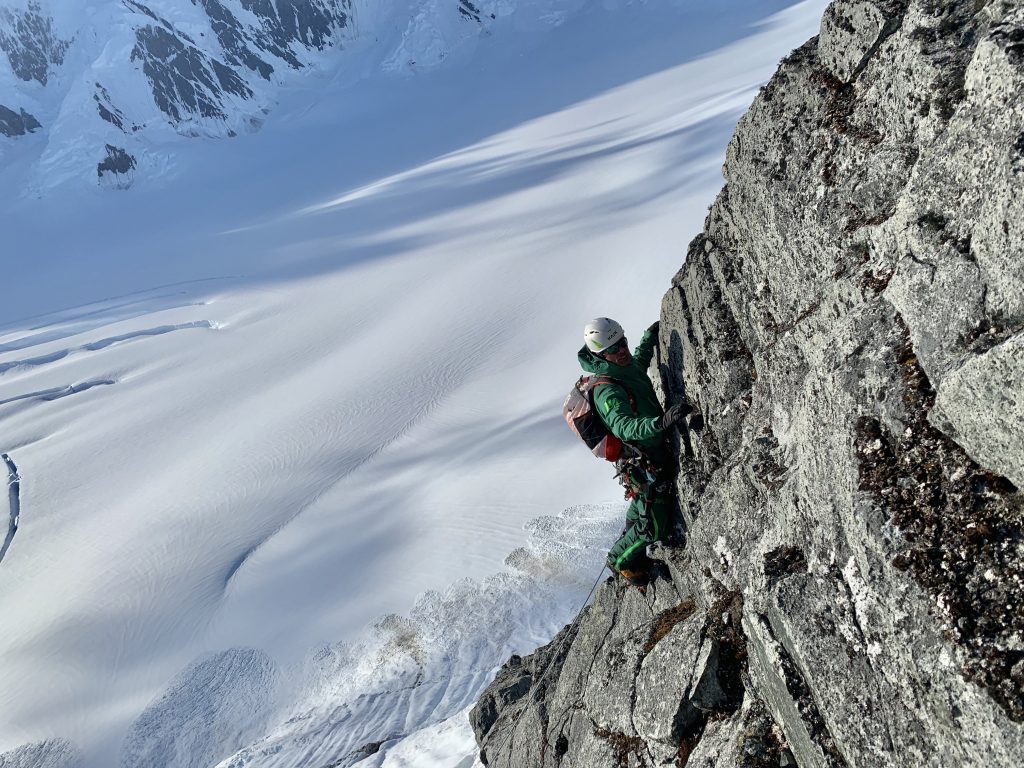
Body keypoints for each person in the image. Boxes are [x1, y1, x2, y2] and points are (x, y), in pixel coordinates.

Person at [578, 317, 687, 587]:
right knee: (654, 526)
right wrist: (659, 423)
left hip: (647, 453)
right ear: (600, 355)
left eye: (622, 343)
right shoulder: (607, 391)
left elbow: (638, 362)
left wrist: (649, 338)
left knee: (643, 506)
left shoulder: (623, 369)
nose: (622, 351)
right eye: (613, 350)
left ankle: (629, 533)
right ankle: (619, 559)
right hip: (645, 457)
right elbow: (623, 426)